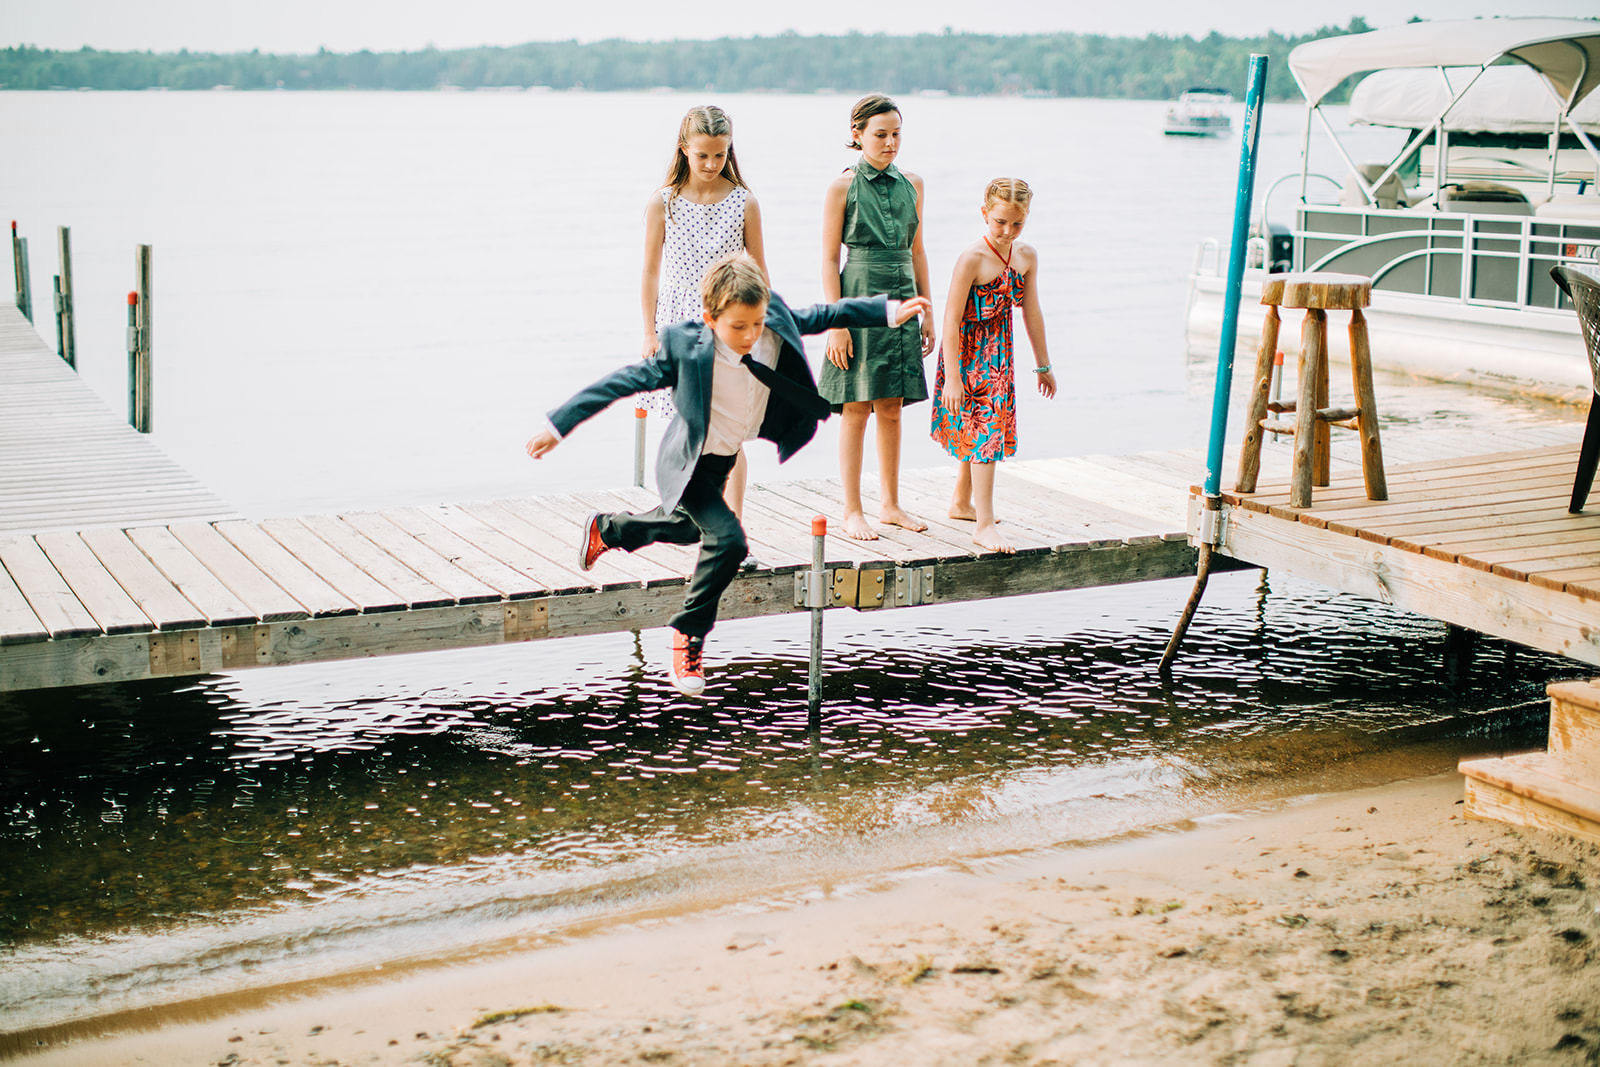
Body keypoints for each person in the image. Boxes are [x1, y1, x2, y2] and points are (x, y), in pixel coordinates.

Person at [526, 252, 930, 696]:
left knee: (685, 530)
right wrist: (557, 426)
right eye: (738, 327)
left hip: (722, 459)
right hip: (686, 462)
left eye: (755, 324)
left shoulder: (770, 322)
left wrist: (889, 310)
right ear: (710, 318)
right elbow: (621, 382)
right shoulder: (685, 348)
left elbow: (827, 313)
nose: (750, 335)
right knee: (730, 540)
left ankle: (608, 529)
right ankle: (687, 637)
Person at [819, 93, 937, 541]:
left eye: (896, 134)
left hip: (905, 297)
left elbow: (918, 250)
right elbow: (829, 260)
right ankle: (852, 509)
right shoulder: (842, 186)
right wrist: (836, 322)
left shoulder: (915, 183)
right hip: (859, 299)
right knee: (856, 408)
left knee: (891, 408)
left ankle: (890, 503)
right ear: (858, 135)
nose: (890, 143)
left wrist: (928, 309)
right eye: (881, 135)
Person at [640, 105, 767, 519]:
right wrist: (648, 332)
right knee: (691, 429)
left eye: (720, 154)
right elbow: (650, 274)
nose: (712, 164)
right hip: (677, 327)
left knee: (730, 434)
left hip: (728, 327)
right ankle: (699, 522)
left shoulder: (745, 202)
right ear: (684, 150)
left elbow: (761, 274)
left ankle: (733, 526)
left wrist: (763, 330)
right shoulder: (664, 203)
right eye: (703, 155)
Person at [929, 178, 1056, 555]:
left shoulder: (1027, 256)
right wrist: (952, 378)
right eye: (999, 221)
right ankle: (984, 525)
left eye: (1016, 224)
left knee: (985, 430)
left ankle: (962, 502)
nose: (1007, 231)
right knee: (985, 437)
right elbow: (950, 320)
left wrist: (1043, 363)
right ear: (985, 214)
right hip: (967, 356)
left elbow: (1031, 312)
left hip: (999, 352)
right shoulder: (971, 258)